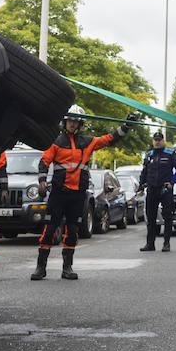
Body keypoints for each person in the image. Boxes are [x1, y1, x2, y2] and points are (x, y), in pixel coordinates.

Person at [32, 105, 140, 280]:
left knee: (73, 230)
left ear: (80, 123)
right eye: (70, 121)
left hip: (77, 195)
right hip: (58, 194)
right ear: (64, 122)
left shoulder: (87, 142)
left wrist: (125, 126)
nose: (72, 124)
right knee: (50, 229)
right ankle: (40, 267)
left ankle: (67, 268)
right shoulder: (56, 142)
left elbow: (109, 139)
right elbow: (44, 162)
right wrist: (42, 181)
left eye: (75, 121)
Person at [137, 130, 176, 252]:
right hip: (152, 189)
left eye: (159, 140)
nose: (157, 142)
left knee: (168, 217)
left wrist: (172, 182)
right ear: (153, 141)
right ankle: (150, 244)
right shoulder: (149, 155)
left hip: (165, 190)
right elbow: (144, 172)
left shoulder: (170, 154)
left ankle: (166, 243)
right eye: (155, 140)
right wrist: (141, 187)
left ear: (163, 141)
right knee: (150, 217)